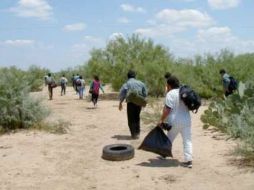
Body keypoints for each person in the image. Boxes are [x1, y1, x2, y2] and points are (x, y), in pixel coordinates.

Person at [158, 75, 192, 168]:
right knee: (187, 140)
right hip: (187, 120)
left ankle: (164, 154)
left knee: (169, 138)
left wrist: (161, 120)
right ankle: (188, 161)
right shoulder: (184, 92)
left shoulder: (170, 94)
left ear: (169, 85)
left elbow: (167, 109)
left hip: (174, 120)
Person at [119, 70, 148, 139]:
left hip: (130, 103)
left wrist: (120, 102)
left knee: (131, 119)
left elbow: (122, 93)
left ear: (128, 76)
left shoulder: (126, 84)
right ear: (135, 76)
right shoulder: (141, 83)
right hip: (139, 103)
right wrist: (141, 100)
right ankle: (137, 133)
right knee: (137, 117)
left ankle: (134, 134)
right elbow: (145, 94)